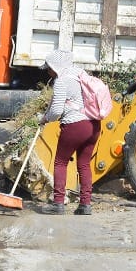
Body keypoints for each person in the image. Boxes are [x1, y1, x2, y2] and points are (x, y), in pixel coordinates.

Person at [39, 49, 100, 216]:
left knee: (60, 162)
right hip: (94, 125)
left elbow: (57, 111)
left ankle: (58, 203)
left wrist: (44, 118)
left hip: (75, 125)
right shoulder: (81, 74)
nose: (48, 71)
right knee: (84, 164)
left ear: (54, 66)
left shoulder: (61, 81)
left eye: (49, 68)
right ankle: (85, 205)